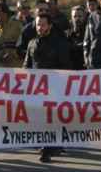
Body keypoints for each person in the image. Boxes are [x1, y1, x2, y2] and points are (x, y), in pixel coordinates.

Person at [24, 13, 72, 162]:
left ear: (50, 26)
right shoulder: (32, 43)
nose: (40, 27)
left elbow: (66, 66)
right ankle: (48, 145)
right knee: (39, 118)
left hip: (54, 88)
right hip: (36, 88)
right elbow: (27, 65)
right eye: (38, 24)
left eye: (43, 24)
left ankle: (48, 148)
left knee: (52, 119)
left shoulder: (59, 43)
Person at [0, 0, 23, 67]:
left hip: (17, 66)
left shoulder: (18, 26)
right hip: (1, 68)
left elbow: (24, 44)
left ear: (5, 13)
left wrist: (13, 54)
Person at [67, 5, 88, 70]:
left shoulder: (89, 34)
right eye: (75, 16)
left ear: (84, 17)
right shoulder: (67, 35)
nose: (77, 19)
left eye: (80, 16)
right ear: (71, 18)